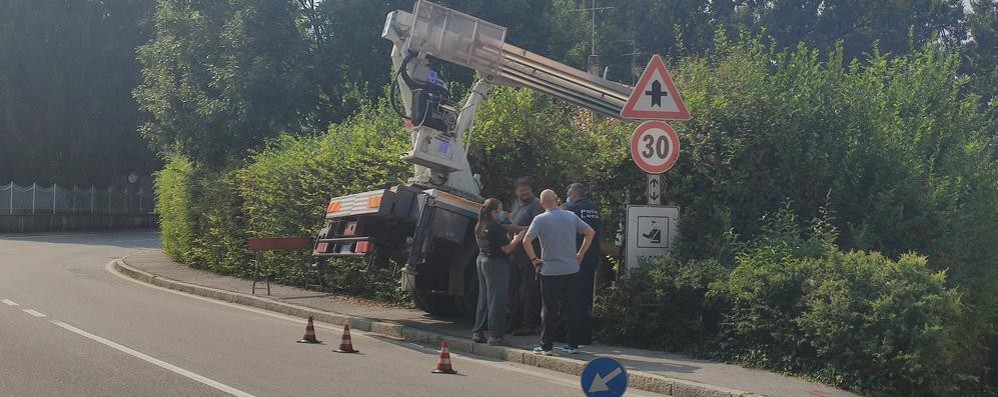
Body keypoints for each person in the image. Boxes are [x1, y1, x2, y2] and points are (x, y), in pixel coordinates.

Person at [523, 189, 596, 355]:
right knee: (572, 308)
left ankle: (546, 346)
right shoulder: (570, 216)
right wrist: (580, 254)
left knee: (549, 309)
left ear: (542, 204)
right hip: (572, 269)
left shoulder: (540, 219)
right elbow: (590, 232)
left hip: (549, 271)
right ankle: (572, 345)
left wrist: (534, 260)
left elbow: (527, 241)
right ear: (556, 200)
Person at [472, 198, 526, 346]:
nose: (502, 213)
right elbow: (506, 249)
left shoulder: (480, 225)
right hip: (496, 263)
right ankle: (496, 335)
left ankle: (478, 331)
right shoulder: (495, 227)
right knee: (497, 299)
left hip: (481, 260)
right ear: (494, 211)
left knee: (483, 298)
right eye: (500, 210)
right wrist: (517, 239)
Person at [504, 177, 544, 336]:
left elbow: (537, 225)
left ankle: (528, 324)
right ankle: (514, 321)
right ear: (517, 192)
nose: (525, 193)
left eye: (527, 189)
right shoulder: (516, 204)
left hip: (529, 253)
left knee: (529, 290)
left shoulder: (536, 205)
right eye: (521, 190)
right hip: (515, 252)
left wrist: (515, 227)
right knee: (513, 289)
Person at [563, 183, 601, 346]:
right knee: (586, 296)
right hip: (592, 255)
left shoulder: (572, 210)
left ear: (574, 194)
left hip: (576, 255)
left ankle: (573, 335)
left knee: (573, 296)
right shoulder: (594, 208)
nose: (567, 195)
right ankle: (586, 334)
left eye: (568, 193)